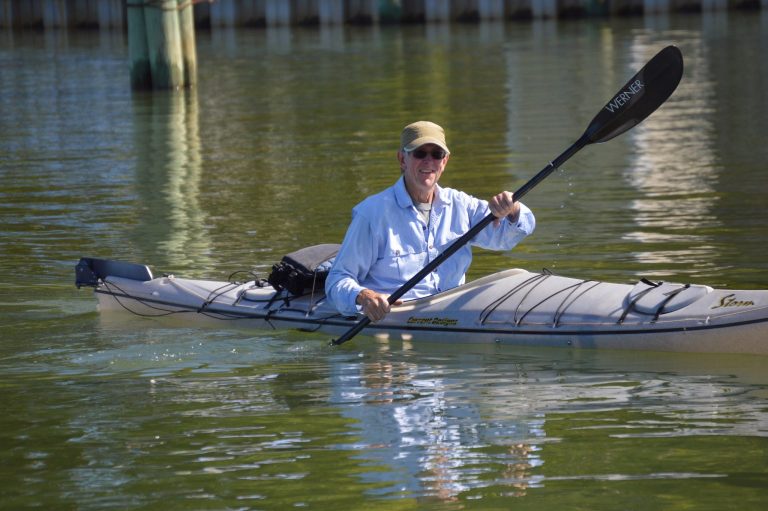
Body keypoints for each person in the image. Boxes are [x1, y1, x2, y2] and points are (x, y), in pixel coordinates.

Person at [325, 120, 535, 322]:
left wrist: (513, 209)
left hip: (453, 316)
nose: (428, 161)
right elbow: (337, 280)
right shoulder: (371, 214)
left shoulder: (462, 205)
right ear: (401, 159)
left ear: (444, 161)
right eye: (419, 153)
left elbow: (506, 239)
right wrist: (364, 296)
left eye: (436, 154)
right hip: (393, 320)